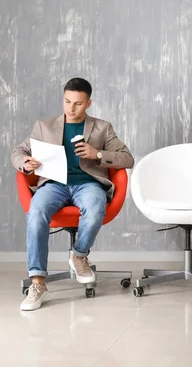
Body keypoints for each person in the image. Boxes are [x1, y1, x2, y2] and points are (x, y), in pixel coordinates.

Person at [11, 78, 134, 311]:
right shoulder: (44, 126)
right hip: (54, 184)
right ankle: (37, 282)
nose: (71, 108)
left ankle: (79, 255)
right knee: (36, 211)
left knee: (96, 206)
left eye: (78, 103)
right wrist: (25, 162)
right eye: (67, 101)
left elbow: (127, 158)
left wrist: (97, 154)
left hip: (88, 184)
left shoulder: (102, 128)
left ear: (88, 103)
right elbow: (18, 151)